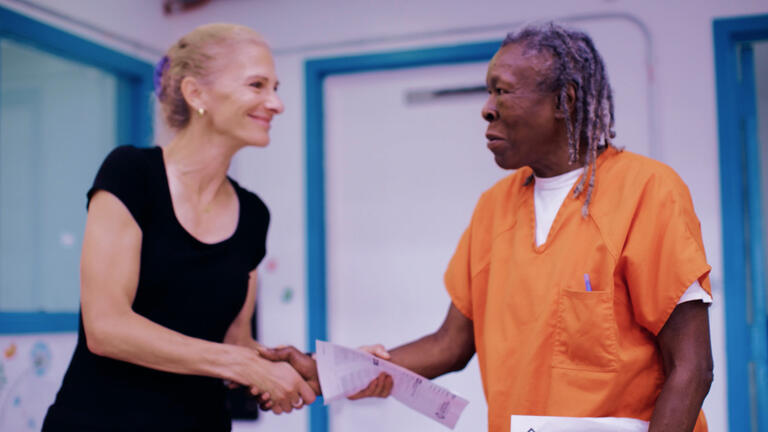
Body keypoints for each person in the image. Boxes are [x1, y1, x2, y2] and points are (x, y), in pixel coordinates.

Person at [262, 23, 714, 432]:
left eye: (503, 92)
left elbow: (692, 368)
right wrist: (330, 372)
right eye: (488, 92)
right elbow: (449, 344)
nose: (487, 109)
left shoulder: (647, 191)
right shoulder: (494, 208)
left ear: (565, 101)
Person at [42, 23, 316, 432]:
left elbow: (234, 341)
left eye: (275, 88)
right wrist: (241, 364)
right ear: (196, 93)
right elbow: (106, 327)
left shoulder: (254, 214)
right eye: (257, 85)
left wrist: (312, 370)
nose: (276, 103)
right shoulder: (132, 174)